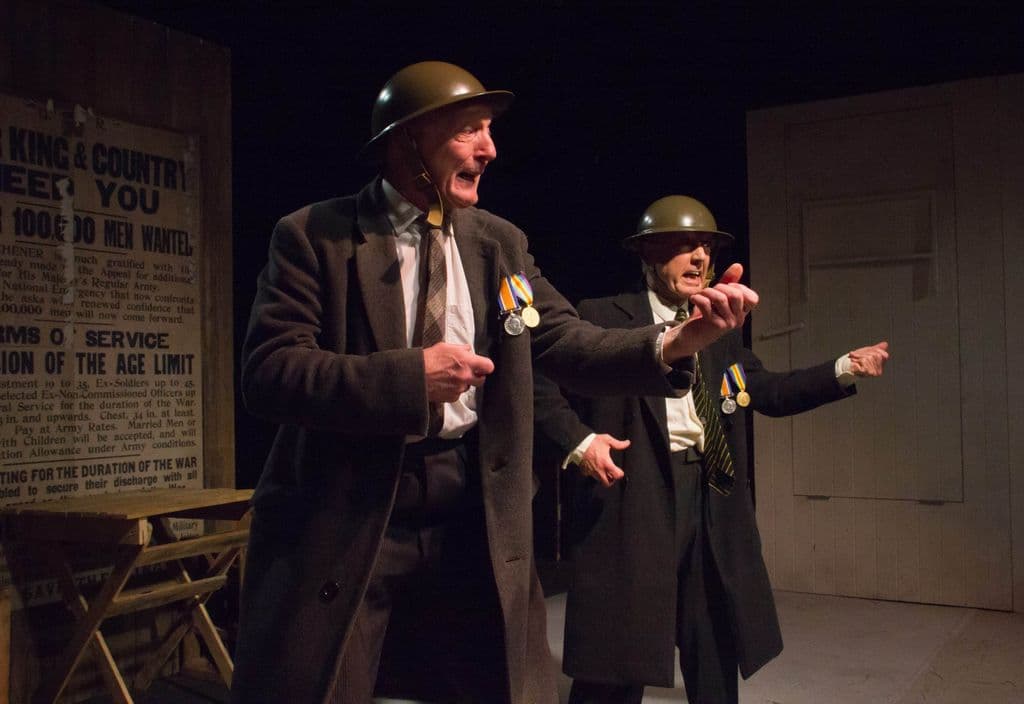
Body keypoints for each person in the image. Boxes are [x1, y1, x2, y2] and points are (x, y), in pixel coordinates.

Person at [231, 64, 759, 704]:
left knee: (492, 684)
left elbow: (566, 339)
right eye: (469, 131)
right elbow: (270, 371)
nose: (490, 149)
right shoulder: (315, 235)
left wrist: (676, 342)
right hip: (355, 507)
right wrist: (409, 377)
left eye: (489, 130)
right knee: (328, 681)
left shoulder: (498, 243)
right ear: (408, 140)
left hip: (469, 508)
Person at [534, 195, 889, 704]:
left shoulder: (717, 329)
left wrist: (842, 369)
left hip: (709, 497)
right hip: (633, 499)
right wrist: (578, 440)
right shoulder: (604, 316)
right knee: (617, 657)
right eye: (684, 245)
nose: (699, 257)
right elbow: (539, 382)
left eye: (706, 247)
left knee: (714, 648)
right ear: (648, 253)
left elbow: (765, 389)